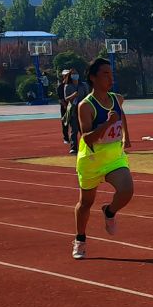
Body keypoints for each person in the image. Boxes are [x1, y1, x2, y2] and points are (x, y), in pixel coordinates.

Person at [70, 57, 134, 259]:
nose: (110, 78)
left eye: (111, 73)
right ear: (93, 77)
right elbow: (87, 138)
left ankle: (109, 211)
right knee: (86, 203)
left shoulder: (117, 99)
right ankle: (80, 239)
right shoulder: (85, 106)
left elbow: (121, 115)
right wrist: (106, 124)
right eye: (105, 74)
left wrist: (126, 136)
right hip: (91, 160)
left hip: (114, 157)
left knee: (127, 191)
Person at [57, 68, 82, 154]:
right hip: (72, 109)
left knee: (84, 129)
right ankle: (73, 147)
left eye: (76, 74)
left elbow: (87, 95)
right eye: (73, 74)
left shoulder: (83, 85)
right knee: (74, 129)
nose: (75, 76)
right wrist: (74, 95)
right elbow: (65, 98)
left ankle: (86, 145)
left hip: (83, 109)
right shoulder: (66, 86)